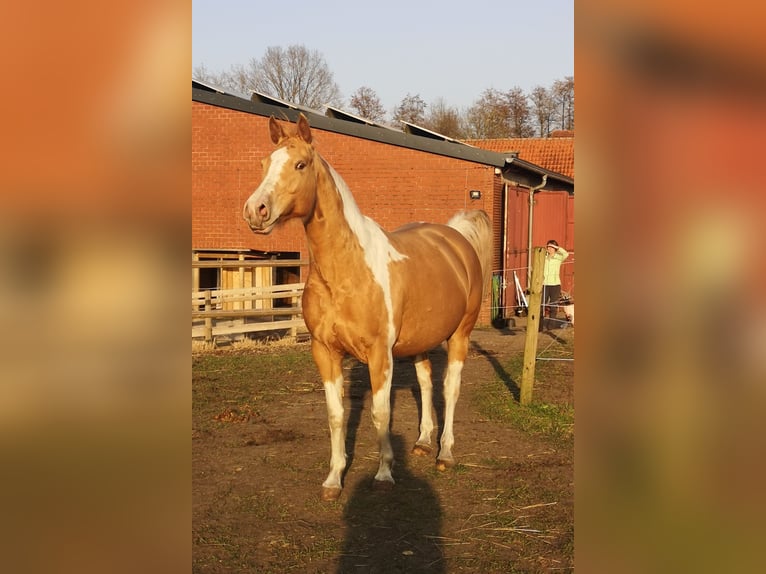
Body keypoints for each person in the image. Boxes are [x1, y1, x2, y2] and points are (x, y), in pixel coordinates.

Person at [539, 240, 569, 330]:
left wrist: (557, 248)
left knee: (553, 306)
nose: (549, 249)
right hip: (545, 284)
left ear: (555, 248)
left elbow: (566, 254)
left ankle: (551, 326)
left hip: (555, 285)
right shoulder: (544, 257)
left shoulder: (558, 257)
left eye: (552, 247)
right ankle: (539, 326)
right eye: (548, 247)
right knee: (541, 306)